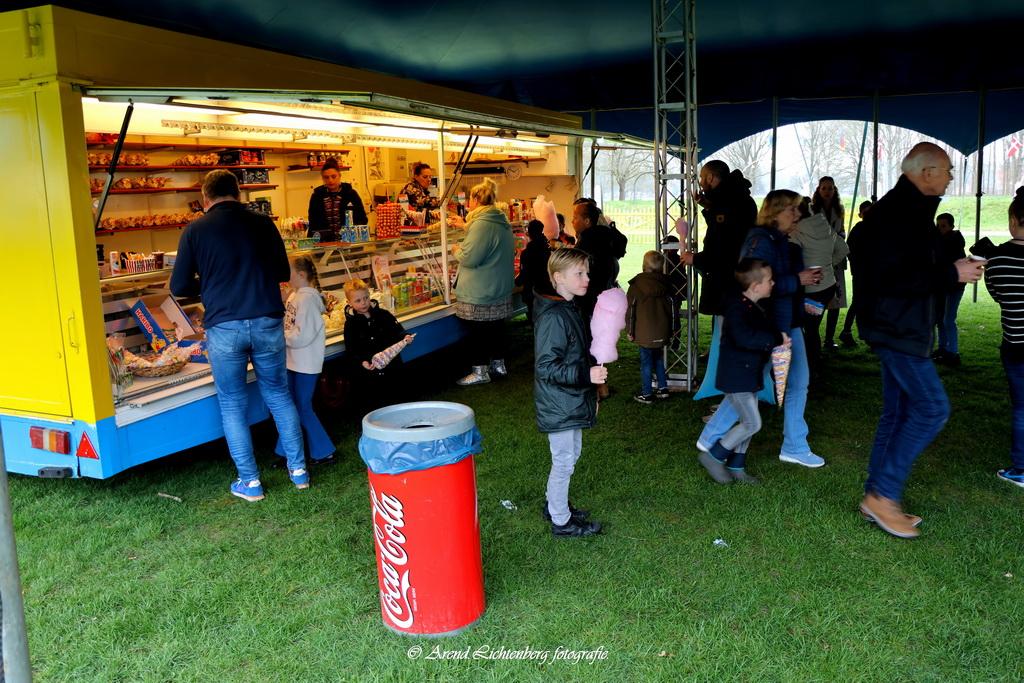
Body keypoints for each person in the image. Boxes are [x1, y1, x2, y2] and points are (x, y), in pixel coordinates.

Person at [855, 142, 984, 539]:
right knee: (931, 408)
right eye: (947, 170)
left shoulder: (912, 210)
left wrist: (951, 266)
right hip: (897, 327)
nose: (950, 178)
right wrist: (951, 274)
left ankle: (874, 497)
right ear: (926, 172)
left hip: (899, 325)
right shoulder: (899, 214)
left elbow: (911, 267)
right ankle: (883, 496)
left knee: (897, 413)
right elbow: (890, 279)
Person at [170, 170, 308, 501]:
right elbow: (281, 272)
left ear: (205, 199)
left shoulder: (195, 230)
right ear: (238, 193)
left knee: (232, 403)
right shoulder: (263, 223)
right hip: (266, 320)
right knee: (278, 395)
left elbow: (179, 286)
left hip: (224, 325)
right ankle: (299, 471)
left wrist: (211, 284)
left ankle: (250, 482)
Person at [697, 190, 826, 468]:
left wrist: (803, 298)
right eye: (792, 209)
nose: (798, 214)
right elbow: (755, 284)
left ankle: (793, 445)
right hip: (772, 326)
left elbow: (779, 284)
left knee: (793, 382)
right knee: (750, 386)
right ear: (776, 212)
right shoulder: (761, 242)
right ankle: (714, 442)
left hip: (786, 323)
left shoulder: (779, 242)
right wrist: (797, 279)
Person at [534, 248, 607, 537]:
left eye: (586, 272)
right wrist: (585, 375)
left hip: (571, 399)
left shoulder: (570, 307)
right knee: (564, 460)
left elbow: (577, 354)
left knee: (571, 455)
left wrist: (592, 388)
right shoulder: (554, 317)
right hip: (559, 402)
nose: (586, 278)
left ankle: (555, 504)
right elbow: (546, 367)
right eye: (579, 273)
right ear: (558, 277)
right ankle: (561, 521)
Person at [697, 259, 787, 485]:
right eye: (769, 280)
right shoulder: (737, 308)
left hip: (747, 376)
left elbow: (761, 331)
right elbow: (744, 337)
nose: (773, 283)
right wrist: (775, 339)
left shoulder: (753, 306)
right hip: (737, 377)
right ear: (756, 286)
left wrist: (778, 337)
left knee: (747, 421)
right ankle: (713, 457)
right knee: (752, 423)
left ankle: (736, 466)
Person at [452, 177, 515, 385]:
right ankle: (498, 365)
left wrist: (456, 250)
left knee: (478, 332)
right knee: (496, 329)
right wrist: (465, 226)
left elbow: (470, 258)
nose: (468, 203)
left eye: (470, 199)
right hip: (499, 286)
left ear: (476, 199)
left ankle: (480, 371)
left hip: (481, 289)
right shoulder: (500, 220)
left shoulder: (482, 224)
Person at [981, 188, 1024, 489]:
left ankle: (1021, 469)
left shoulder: (996, 259)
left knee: (1022, 407)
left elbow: (997, 294)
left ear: (1012, 220)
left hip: (1016, 344)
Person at [679, 160, 758, 317]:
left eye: (702, 178)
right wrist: (709, 206)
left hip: (727, 281)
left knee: (726, 326)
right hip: (741, 276)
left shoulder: (728, 203)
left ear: (710, 177)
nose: (701, 183)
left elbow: (722, 246)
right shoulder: (738, 198)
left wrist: (695, 258)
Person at [276, 256, 335, 466]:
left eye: (289, 271)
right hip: (293, 360)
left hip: (306, 363)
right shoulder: (295, 296)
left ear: (301, 274)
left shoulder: (308, 300)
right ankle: (287, 450)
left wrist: (279, 337)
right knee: (291, 406)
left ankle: (324, 450)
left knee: (301, 406)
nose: (285, 275)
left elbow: (302, 335)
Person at [790, 196, 848, 379]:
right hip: (827, 286)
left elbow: (790, 257)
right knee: (811, 328)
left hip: (811, 289)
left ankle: (809, 368)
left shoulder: (795, 230)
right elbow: (844, 248)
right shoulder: (823, 224)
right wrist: (828, 265)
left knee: (807, 329)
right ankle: (813, 365)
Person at [342, 279, 412, 412]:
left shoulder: (383, 314)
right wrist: (362, 361)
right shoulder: (350, 324)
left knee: (397, 396)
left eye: (366, 298)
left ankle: (402, 414)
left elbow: (398, 330)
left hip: (392, 366)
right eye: (358, 301)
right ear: (349, 303)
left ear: (370, 296)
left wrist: (405, 337)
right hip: (371, 371)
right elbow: (351, 349)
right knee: (378, 402)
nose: (363, 303)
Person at [626, 251, 673, 404]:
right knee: (658, 359)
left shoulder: (636, 285)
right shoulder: (667, 284)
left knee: (646, 363)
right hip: (661, 331)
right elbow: (673, 309)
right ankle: (663, 388)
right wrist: (672, 329)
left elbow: (630, 311)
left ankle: (647, 393)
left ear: (644, 265)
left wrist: (629, 330)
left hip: (644, 333)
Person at [811, 176, 848, 350]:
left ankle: (829, 339)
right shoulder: (812, 209)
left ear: (835, 190)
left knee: (836, 300)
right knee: (818, 299)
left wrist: (839, 236)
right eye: (824, 188)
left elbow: (842, 230)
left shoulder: (839, 209)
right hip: (818, 259)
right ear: (818, 190)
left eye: (830, 188)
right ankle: (813, 337)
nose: (827, 191)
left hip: (836, 259)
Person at [573, 199, 622, 321]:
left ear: (587, 221)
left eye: (575, 218)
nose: (572, 221)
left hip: (590, 302)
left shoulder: (588, 242)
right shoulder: (604, 236)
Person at [932, 212, 967, 366]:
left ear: (951, 227)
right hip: (942, 285)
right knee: (940, 318)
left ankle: (953, 353)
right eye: (938, 225)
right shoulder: (939, 240)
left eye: (943, 226)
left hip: (954, 286)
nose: (940, 229)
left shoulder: (953, 242)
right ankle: (943, 349)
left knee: (948, 319)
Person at [307, 157, 367, 241]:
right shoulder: (317, 196)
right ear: (322, 178)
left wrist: (352, 234)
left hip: (349, 242)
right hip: (324, 244)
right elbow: (312, 223)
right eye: (326, 177)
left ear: (339, 176)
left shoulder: (351, 194)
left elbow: (362, 219)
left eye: (333, 176)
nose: (330, 180)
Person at [838, 200, 873, 347]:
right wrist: (858, 265)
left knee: (868, 303)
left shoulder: (877, 229)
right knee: (858, 302)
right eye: (866, 213)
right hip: (861, 272)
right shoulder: (858, 229)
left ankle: (866, 334)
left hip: (872, 273)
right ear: (860, 214)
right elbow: (849, 250)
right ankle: (847, 331)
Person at [515, 219, 553, 324]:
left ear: (529, 232)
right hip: (546, 288)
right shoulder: (547, 247)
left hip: (532, 290)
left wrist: (516, 282)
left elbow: (525, 273)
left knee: (533, 316)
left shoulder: (527, 253)